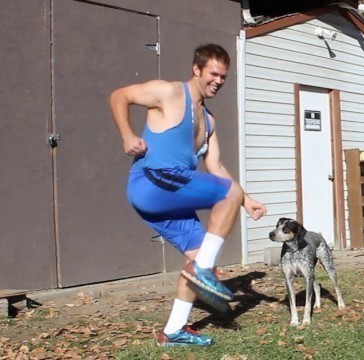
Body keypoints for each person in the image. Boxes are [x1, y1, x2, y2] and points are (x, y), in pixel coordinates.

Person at [109, 44, 267, 347]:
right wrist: (128, 135)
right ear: (197, 69)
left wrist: (245, 199)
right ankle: (204, 270)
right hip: (153, 180)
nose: (218, 81)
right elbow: (120, 96)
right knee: (203, 262)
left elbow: (216, 165)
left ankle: (173, 331)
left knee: (195, 259)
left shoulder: (209, 121)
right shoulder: (168, 92)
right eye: (213, 74)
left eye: (224, 77)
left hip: (168, 196)